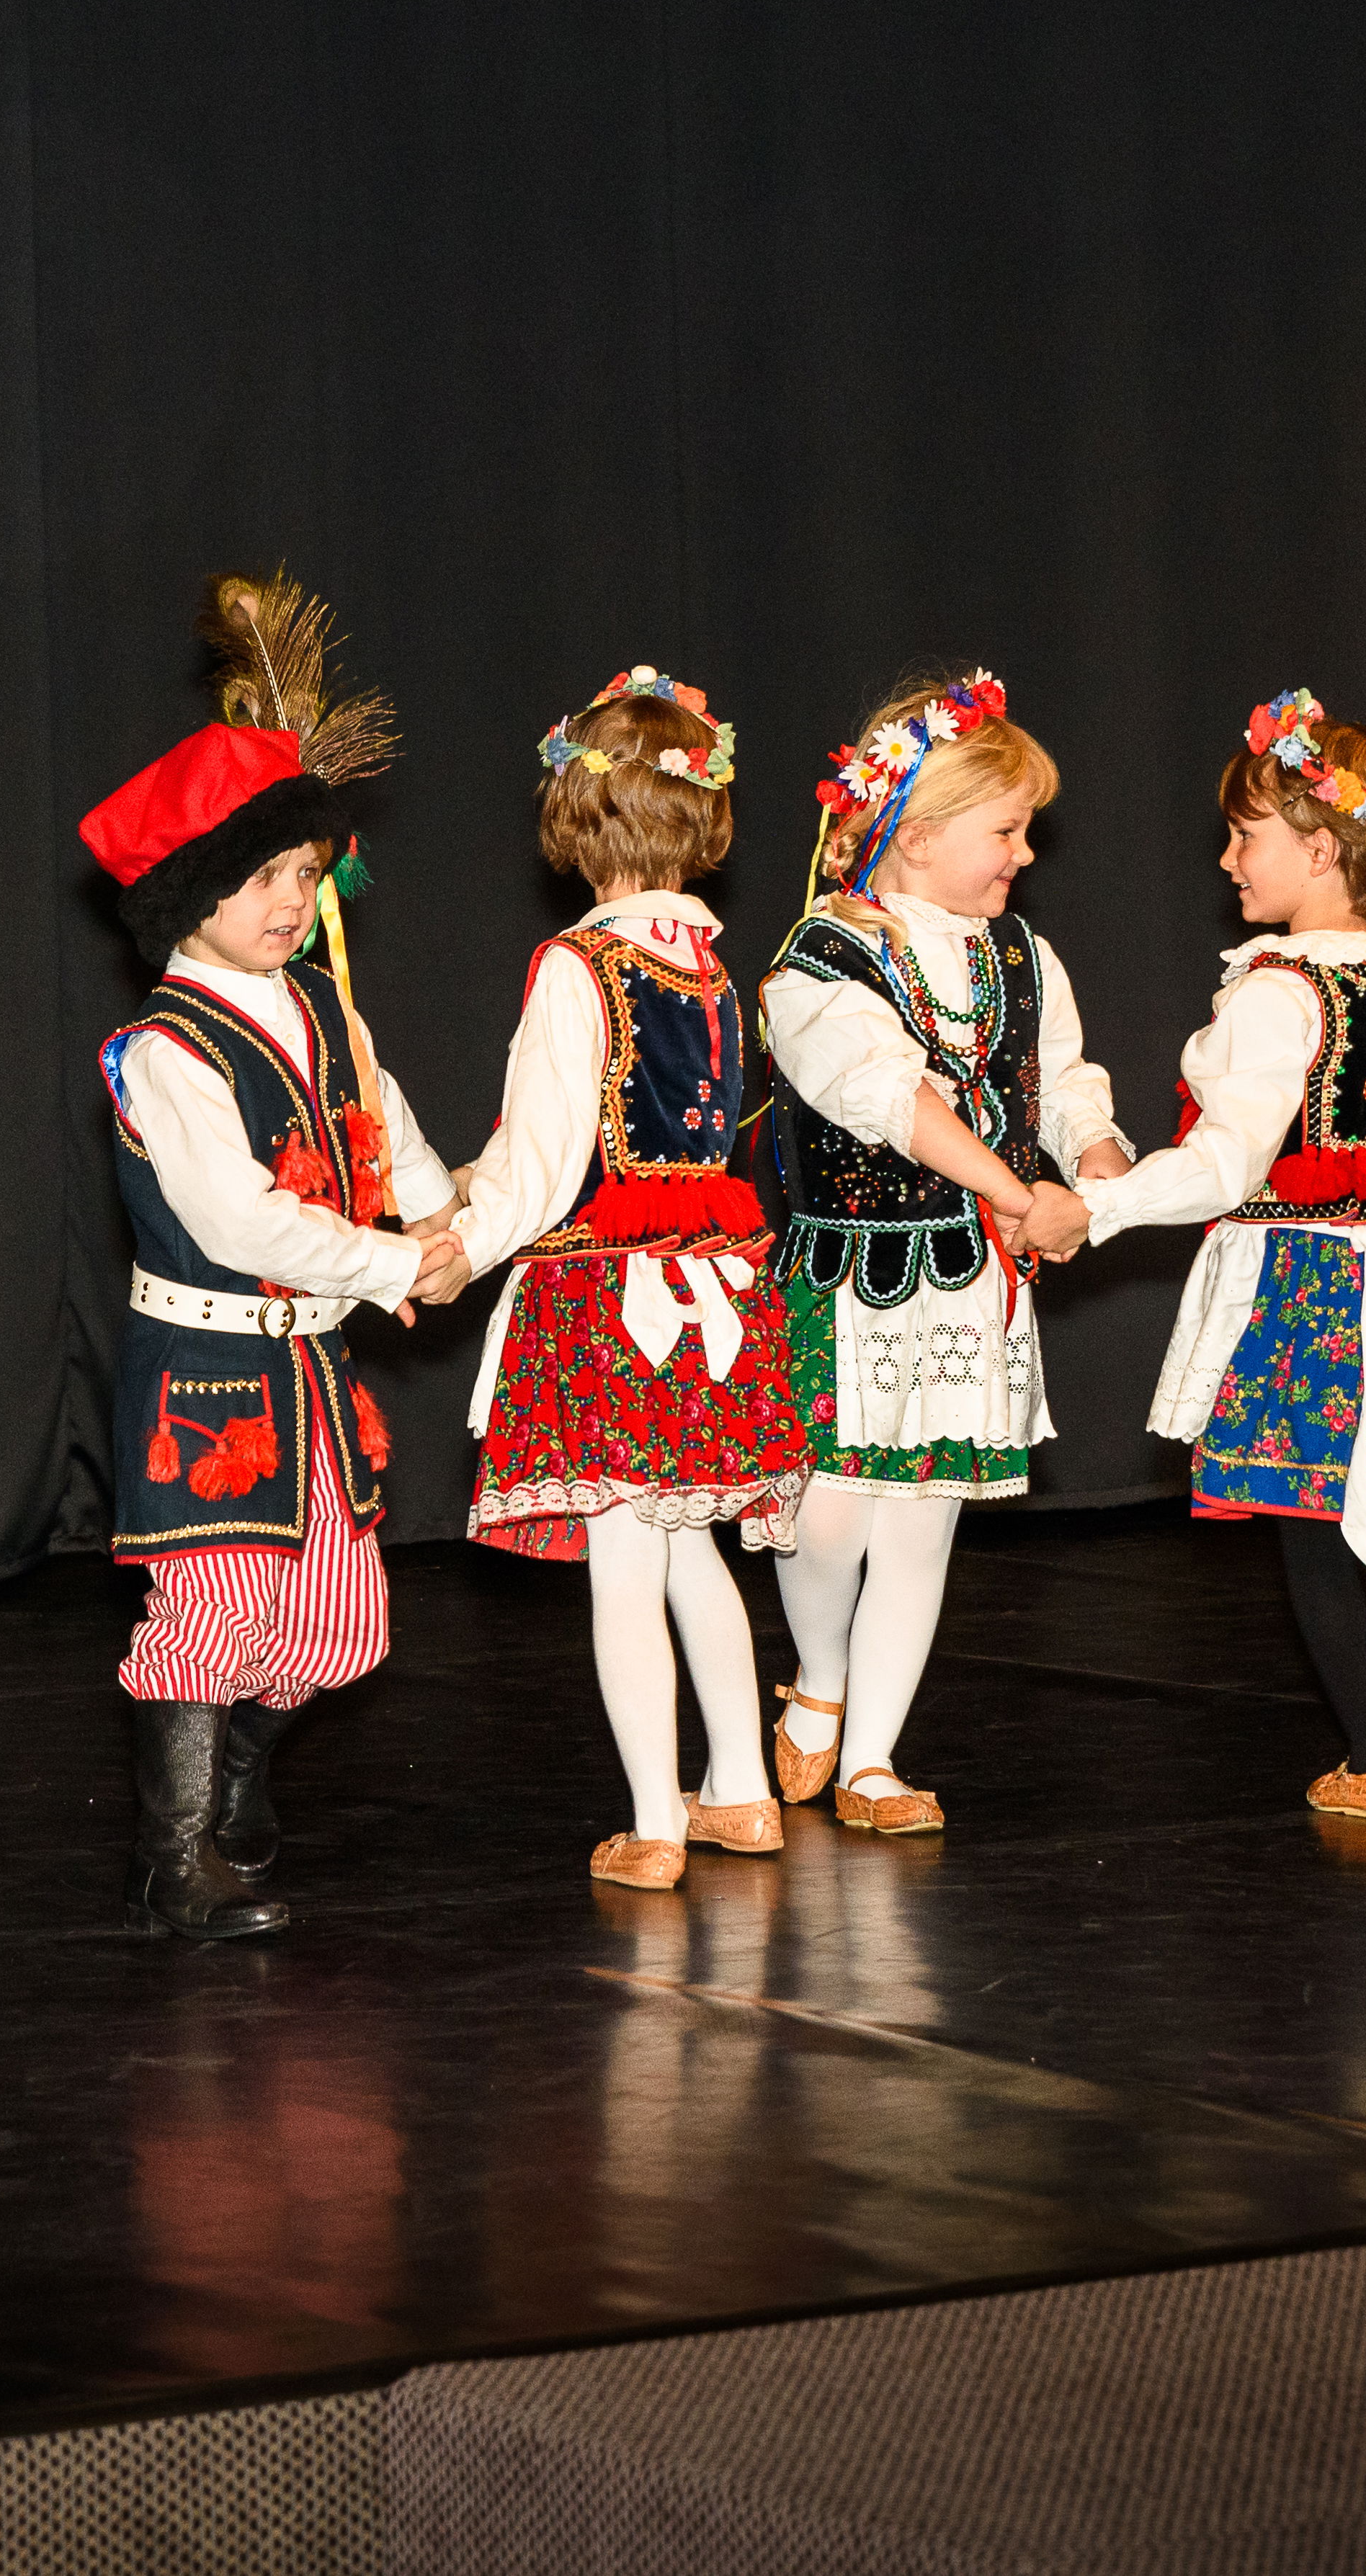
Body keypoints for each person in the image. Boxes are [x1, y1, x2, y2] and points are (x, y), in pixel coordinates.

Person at [80, 574, 465, 1941]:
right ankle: (172, 1853)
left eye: (305, 873)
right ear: (189, 893)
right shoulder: (161, 1051)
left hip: (310, 1368)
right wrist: (389, 1264)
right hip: (206, 1374)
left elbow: (388, 1133)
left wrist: (444, 1223)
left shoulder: (321, 1008)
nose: (292, 899)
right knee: (210, 1606)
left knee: (336, 1624)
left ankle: (231, 1790)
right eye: (260, 878)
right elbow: (241, 1221)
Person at [1077, 692, 1366, 1819]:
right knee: (1343, 1497)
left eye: (1245, 836)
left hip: (1295, 1282)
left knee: (1307, 1524)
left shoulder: (1279, 991)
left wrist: (1101, 1207)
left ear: (1319, 849)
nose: (1226, 859)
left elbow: (1227, 1163)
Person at [750, 668, 1122, 1837]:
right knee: (827, 1516)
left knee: (922, 1517)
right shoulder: (822, 957)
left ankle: (872, 1758)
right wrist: (1018, 1192)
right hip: (848, 1277)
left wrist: (1104, 1166)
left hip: (965, 1287)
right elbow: (886, 1099)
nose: (1022, 854)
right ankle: (818, 1672)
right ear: (913, 832)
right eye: (1004, 829)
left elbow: (1061, 1082)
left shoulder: (1022, 955)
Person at [443, 666, 799, 1889]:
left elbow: (544, 1167)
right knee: (689, 1541)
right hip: (716, 1289)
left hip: (611, 1303)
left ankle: (654, 1818)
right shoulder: (710, 969)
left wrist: (462, 1240)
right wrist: (470, 1185)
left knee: (623, 1560)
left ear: (573, 814)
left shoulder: (575, 965)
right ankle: (742, 1792)